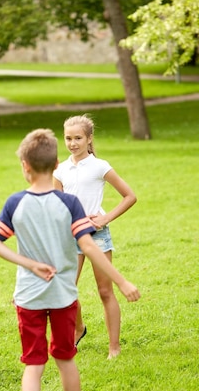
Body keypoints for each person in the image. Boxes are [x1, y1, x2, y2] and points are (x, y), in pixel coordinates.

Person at [0, 128, 140, 391]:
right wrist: (123, 282)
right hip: (62, 296)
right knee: (66, 360)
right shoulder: (69, 204)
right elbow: (89, 247)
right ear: (56, 165)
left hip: (28, 296)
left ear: (25, 166)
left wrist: (30, 264)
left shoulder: (15, 202)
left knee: (34, 365)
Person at [52, 114, 137, 359]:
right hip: (71, 237)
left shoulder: (100, 166)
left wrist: (105, 218)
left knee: (105, 291)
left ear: (89, 139)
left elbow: (129, 196)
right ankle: (78, 327)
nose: (72, 143)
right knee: (66, 289)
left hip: (98, 236)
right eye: (68, 138)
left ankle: (114, 347)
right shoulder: (62, 170)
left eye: (78, 138)